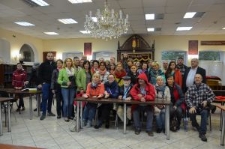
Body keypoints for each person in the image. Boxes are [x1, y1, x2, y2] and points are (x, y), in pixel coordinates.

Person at [185, 74, 215, 142]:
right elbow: (187, 98)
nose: (197, 79)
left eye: (198, 78)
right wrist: (191, 106)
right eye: (196, 78)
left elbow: (213, 96)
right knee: (191, 111)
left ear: (201, 79)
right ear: (194, 79)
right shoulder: (191, 87)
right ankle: (195, 124)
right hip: (194, 107)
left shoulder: (206, 86)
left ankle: (202, 133)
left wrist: (207, 101)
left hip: (202, 107)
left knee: (204, 113)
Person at [38, 52, 56, 120]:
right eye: (49, 56)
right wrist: (41, 82)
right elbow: (39, 74)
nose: (50, 57)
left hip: (53, 84)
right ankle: (43, 113)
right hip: (45, 83)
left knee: (51, 98)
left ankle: (49, 111)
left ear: (53, 57)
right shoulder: (43, 64)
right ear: (46, 57)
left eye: (51, 56)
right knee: (45, 97)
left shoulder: (55, 64)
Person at [57, 58, 76, 122]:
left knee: (71, 103)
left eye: (70, 61)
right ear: (65, 63)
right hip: (65, 88)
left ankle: (70, 115)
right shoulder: (62, 70)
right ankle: (65, 115)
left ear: (71, 62)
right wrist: (65, 83)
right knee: (66, 103)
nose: (68, 62)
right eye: (67, 61)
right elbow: (58, 80)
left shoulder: (74, 70)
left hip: (72, 88)